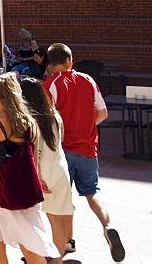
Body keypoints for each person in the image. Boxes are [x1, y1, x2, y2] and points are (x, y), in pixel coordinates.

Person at [43, 43, 125, 262]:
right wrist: (89, 127)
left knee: (63, 199)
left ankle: (66, 242)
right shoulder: (88, 80)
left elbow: (47, 120)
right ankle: (107, 225)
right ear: (70, 59)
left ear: (51, 63)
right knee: (92, 191)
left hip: (64, 149)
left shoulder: (50, 85)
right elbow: (103, 112)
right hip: (89, 146)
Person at [0, 74, 59, 264]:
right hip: (25, 188)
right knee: (28, 241)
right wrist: (39, 180)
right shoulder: (30, 122)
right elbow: (33, 159)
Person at [20, 76, 73, 261]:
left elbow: (32, 152)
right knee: (57, 218)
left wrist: (38, 177)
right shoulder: (54, 115)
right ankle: (58, 260)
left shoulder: (27, 120)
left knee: (29, 219)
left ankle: (34, 256)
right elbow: (61, 140)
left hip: (40, 172)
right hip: (60, 168)